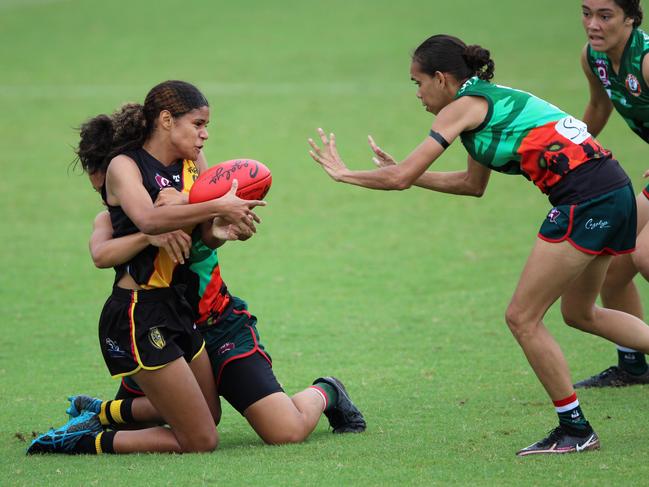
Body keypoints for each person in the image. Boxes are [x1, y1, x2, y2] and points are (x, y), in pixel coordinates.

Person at [308, 34, 649, 456]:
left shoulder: (460, 109)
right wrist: (407, 172)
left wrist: (346, 174)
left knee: (522, 318)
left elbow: (398, 181)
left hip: (588, 198)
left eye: (417, 82)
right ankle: (577, 429)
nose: (417, 94)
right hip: (611, 187)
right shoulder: (484, 103)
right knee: (580, 313)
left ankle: (576, 430)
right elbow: (472, 185)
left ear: (441, 78)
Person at [61, 105, 364, 448]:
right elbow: (102, 253)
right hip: (163, 328)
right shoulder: (121, 219)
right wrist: (150, 231)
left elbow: (208, 230)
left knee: (285, 432)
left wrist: (216, 219)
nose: (107, 196)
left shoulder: (184, 192)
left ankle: (327, 391)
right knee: (175, 418)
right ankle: (101, 414)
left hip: (217, 324)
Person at [28, 80, 265, 455]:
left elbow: (202, 238)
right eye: (199, 124)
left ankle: (102, 412)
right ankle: (83, 441)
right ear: (167, 120)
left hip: (179, 304)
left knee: (209, 414)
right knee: (202, 441)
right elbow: (150, 221)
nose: (205, 135)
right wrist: (218, 204)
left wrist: (221, 230)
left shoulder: (193, 165)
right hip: (140, 313)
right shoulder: (125, 166)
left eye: (207, 126)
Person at [573, 0, 649, 388]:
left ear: (631, 19)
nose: (593, 24)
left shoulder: (648, 60)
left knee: (645, 255)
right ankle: (634, 366)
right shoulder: (594, 58)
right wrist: (569, 150)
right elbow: (599, 107)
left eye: (605, 16)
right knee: (614, 271)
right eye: (587, 13)